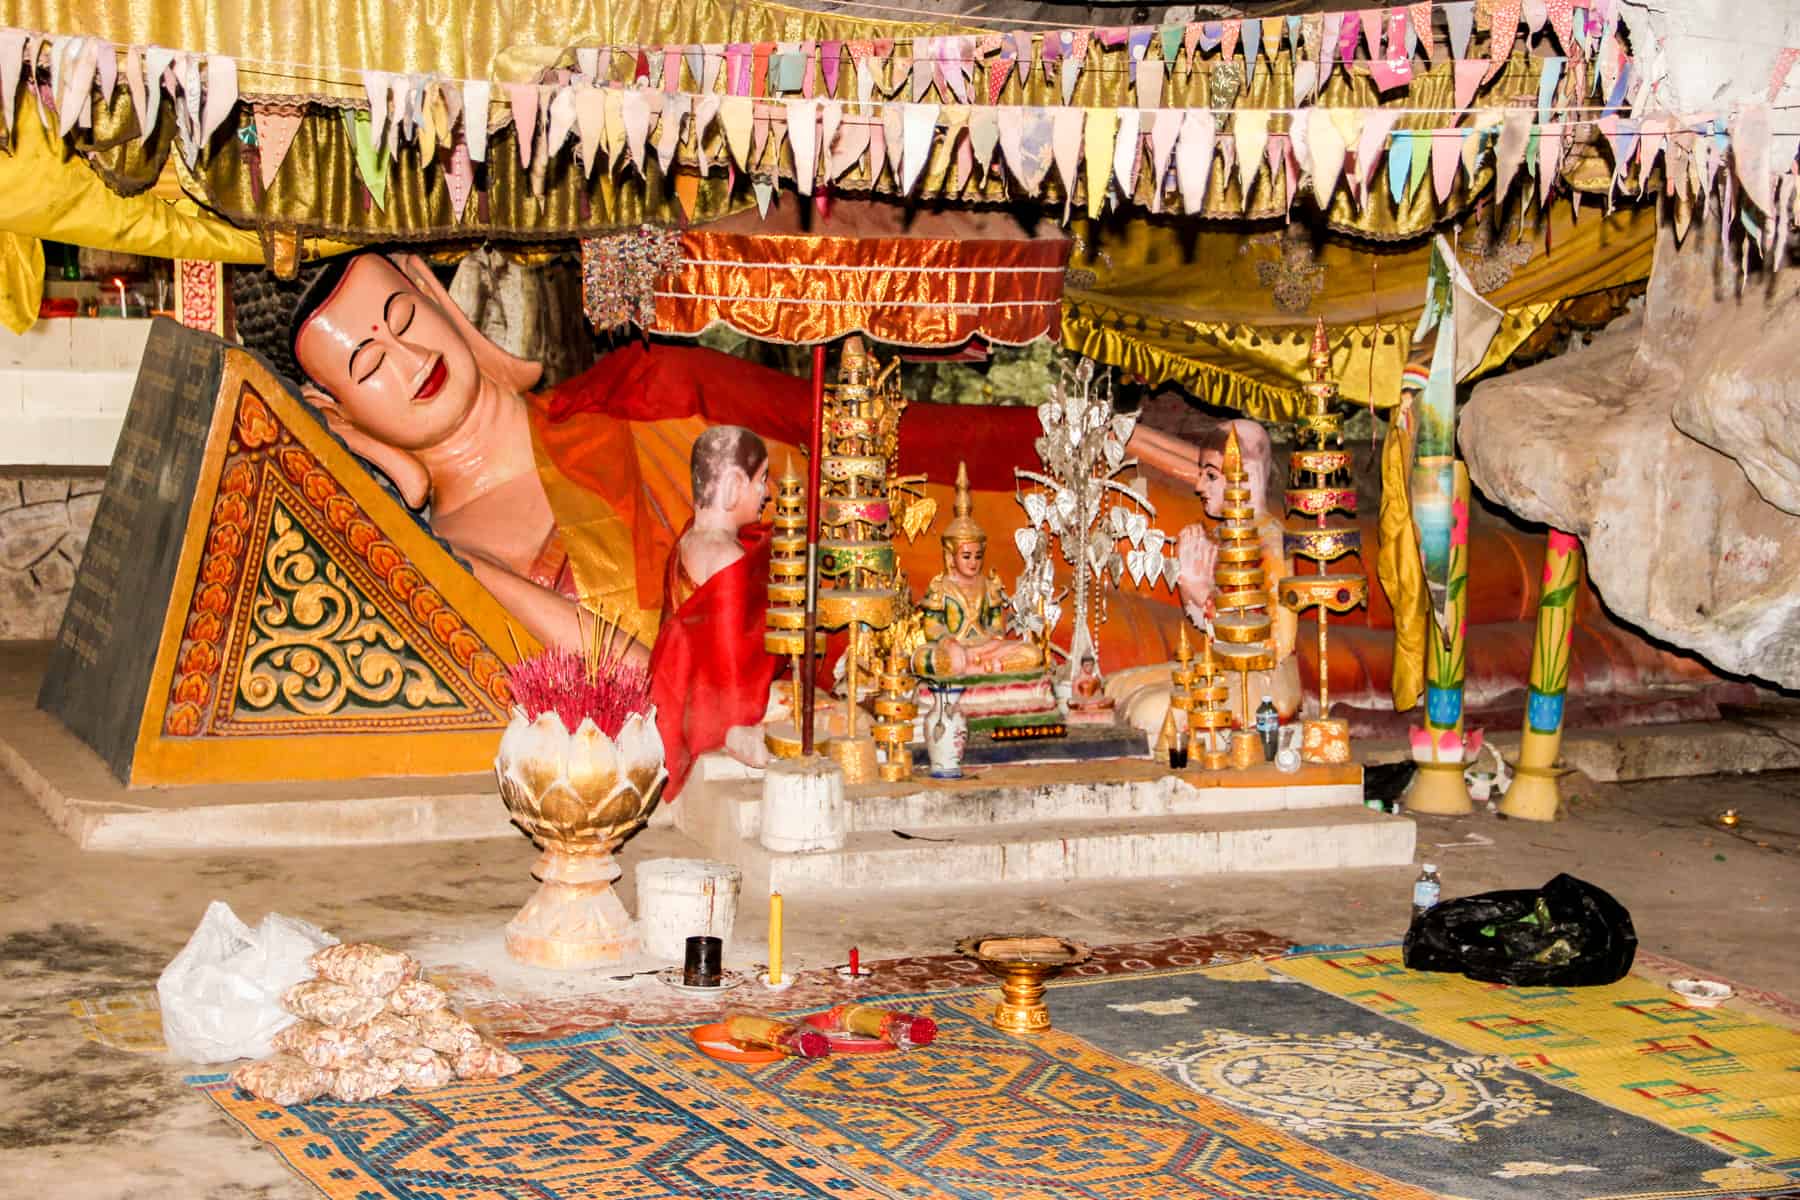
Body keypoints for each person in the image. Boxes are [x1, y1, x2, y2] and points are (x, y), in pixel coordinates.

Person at [647, 426, 783, 800]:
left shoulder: (687, 538)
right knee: (813, 708)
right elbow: (737, 667)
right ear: (735, 485)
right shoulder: (727, 556)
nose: (767, 494)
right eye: (762, 480)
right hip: (717, 709)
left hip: (684, 694)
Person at [914, 463, 1044, 678]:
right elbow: (932, 627)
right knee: (923, 659)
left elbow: (994, 624)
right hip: (954, 650)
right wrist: (948, 642)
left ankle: (981, 667)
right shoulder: (941, 587)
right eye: (966, 556)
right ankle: (979, 668)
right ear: (951, 556)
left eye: (977, 556)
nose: (973, 562)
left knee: (1032, 653)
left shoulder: (987, 584)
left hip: (986, 650)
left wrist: (994, 638)